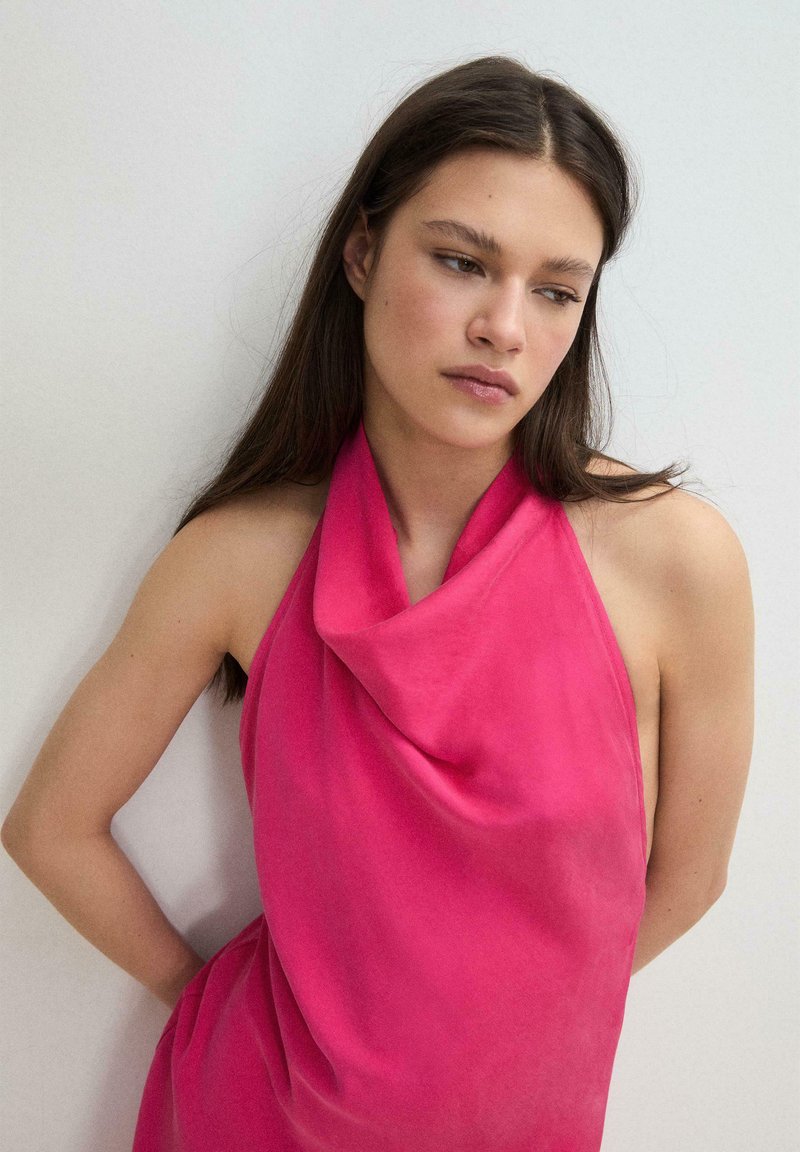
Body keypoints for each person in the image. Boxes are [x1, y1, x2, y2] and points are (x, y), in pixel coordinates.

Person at [2, 54, 754, 1151]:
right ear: (361, 254)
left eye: (555, 289)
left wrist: (492, 1040)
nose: (504, 327)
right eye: (461, 261)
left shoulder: (675, 561)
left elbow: (688, 878)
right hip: (258, 1119)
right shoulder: (240, 559)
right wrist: (219, 1008)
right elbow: (49, 828)